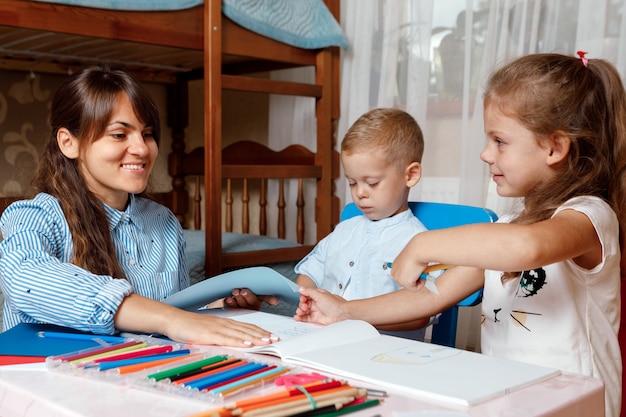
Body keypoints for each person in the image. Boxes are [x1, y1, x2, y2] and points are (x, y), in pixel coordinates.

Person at [295, 52, 624, 417]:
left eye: (499, 141)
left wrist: (422, 244)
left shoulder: (590, 217)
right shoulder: (507, 229)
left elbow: (529, 247)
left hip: (577, 405)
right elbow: (428, 298)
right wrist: (343, 311)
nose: (485, 154)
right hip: (509, 397)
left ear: (554, 147)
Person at [0, 65, 278, 348]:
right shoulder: (34, 216)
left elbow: (172, 317)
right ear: (69, 143)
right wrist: (172, 320)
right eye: (119, 135)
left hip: (140, 375)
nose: (143, 149)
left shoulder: (164, 222)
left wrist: (219, 313)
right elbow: (24, 279)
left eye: (147, 134)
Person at [289, 107, 430, 340]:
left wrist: (349, 315)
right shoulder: (344, 230)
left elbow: (421, 313)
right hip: (325, 342)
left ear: (410, 175)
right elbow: (309, 274)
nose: (360, 193)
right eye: (352, 183)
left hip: (383, 353)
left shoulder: (420, 242)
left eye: (372, 183)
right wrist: (307, 296)